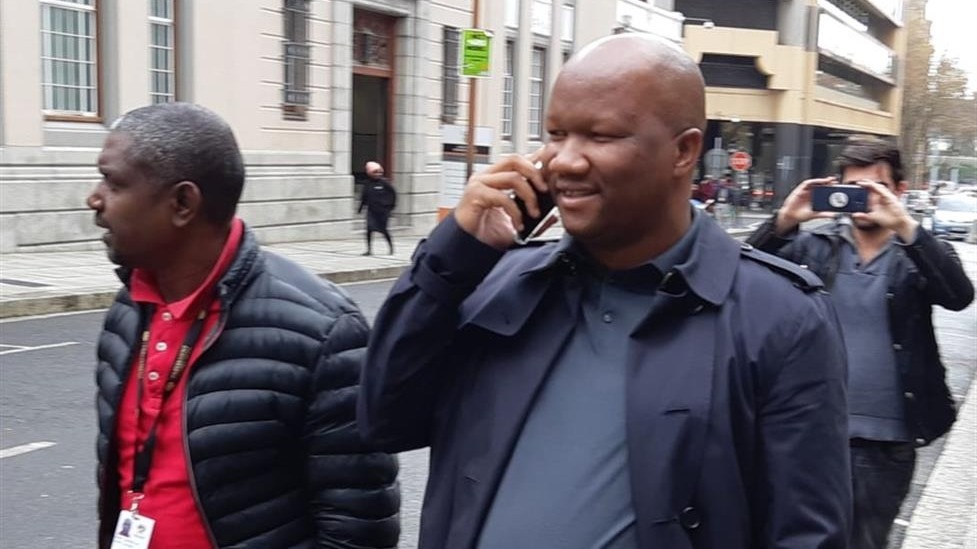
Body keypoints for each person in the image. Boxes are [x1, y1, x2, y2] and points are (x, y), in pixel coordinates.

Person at [359, 34, 851, 549]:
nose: (564, 161)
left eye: (601, 135)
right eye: (556, 133)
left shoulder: (783, 319)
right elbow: (383, 419)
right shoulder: (496, 280)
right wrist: (454, 256)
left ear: (684, 151)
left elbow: (807, 535)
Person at [88, 103, 400, 549]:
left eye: (113, 182)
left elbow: (359, 531)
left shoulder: (324, 333)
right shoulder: (127, 313)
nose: (94, 198)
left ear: (182, 203)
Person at [746, 137, 975, 549]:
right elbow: (740, 278)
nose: (862, 200)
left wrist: (905, 225)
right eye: (854, 188)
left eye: (876, 189)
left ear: (899, 191)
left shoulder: (917, 251)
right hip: (809, 434)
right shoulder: (812, 245)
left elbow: (958, 296)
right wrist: (784, 220)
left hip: (886, 445)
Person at [358, 161, 397, 255]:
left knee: (384, 230)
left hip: (383, 211)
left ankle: (391, 248)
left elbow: (393, 194)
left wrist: (390, 207)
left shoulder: (385, 183)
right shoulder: (367, 184)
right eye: (375, 172)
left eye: (379, 172)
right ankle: (369, 250)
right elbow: (364, 197)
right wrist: (360, 208)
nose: (377, 174)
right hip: (372, 211)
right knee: (369, 229)